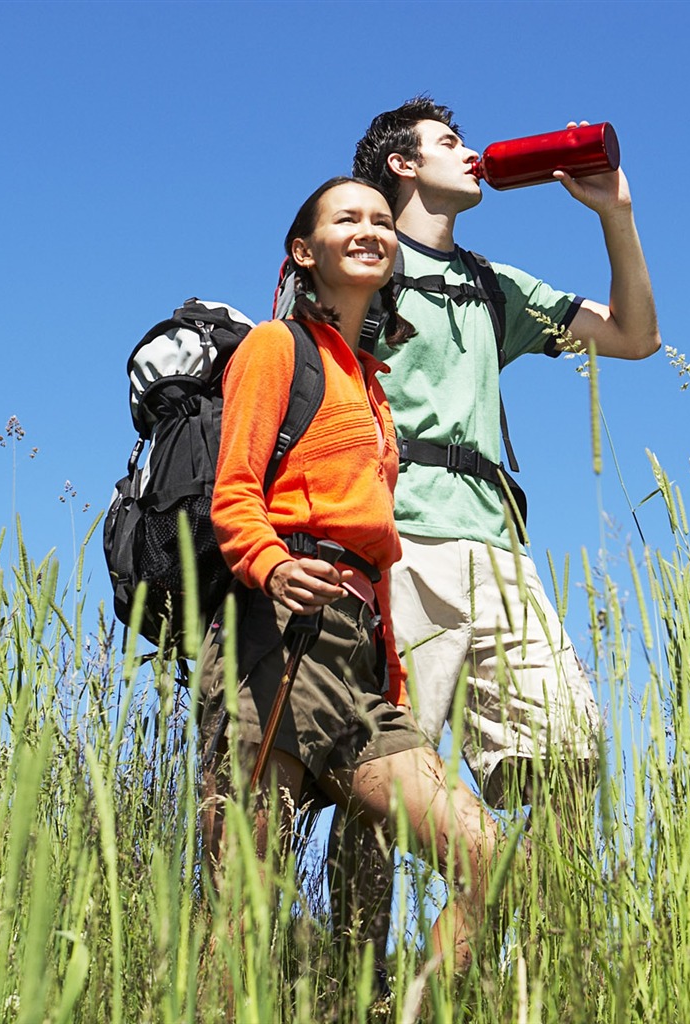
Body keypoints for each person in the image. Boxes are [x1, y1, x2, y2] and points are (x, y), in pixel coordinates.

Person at [329, 97, 661, 961]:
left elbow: (634, 336)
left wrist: (615, 214)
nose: (471, 153)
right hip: (397, 545)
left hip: (501, 554)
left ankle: (516, 974)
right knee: (391, 777)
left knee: (565, 759)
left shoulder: (490, 285)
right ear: (402, 164)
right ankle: (353, 980)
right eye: (448, 143)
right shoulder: (360, 259)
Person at [198, 175, 498, 974]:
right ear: (305, 251)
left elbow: (375, 551)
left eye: (379, 219)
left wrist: (389, 668)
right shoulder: (276, 347)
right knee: (245, 904)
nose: (370, 228)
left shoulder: (374, 390)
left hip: (358, 659)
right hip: (278, 639)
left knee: (487, 857)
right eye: (346, 218)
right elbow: (234, 490)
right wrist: (268, 566)